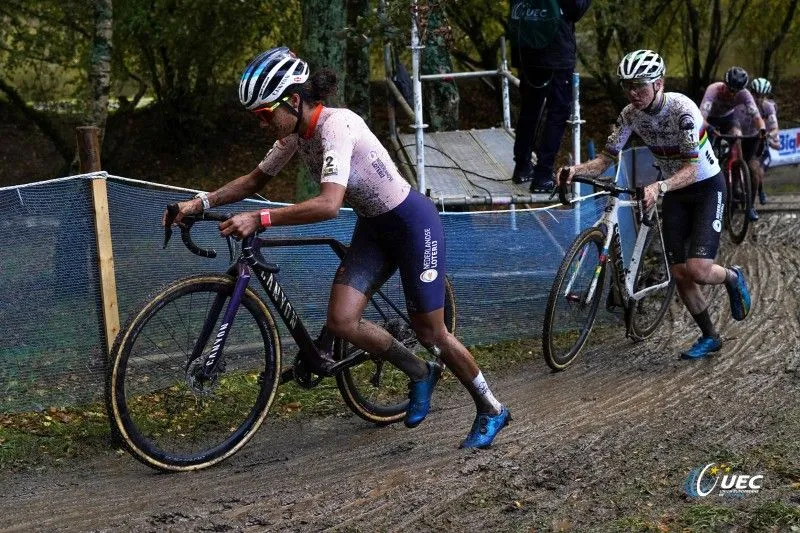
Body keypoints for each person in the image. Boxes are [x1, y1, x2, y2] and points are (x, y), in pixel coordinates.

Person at [163, 47, 510, 449]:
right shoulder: (294, 134)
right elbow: (254, 180)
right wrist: (199, 203)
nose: (261, 124)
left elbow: (329, 204)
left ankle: (491, 407)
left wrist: (259, 219)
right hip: (374, 230)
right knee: (342, 322)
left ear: (292, 101)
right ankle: (419, 372)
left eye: (263, 114)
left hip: (413, 225)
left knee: (431, 330)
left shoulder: (337, 126)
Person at [558, 49, 752, 360]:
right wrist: (575, 171)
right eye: (627, 86)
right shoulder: (630, 115)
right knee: (679, 273)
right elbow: (606, 160)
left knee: (698, 270)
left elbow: (691, 167)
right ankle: (710, 336)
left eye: (640, 85)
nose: (633, 93)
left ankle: (732, 276)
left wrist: (659, 185)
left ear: (659, 83)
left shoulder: (683, 110)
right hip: (675, 190)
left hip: (705, 188)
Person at [508, 0, 591, 192]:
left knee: (530, 108)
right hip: (555, 52)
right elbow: (575, 9)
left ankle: (522, 166)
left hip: (526, 49)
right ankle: (543, 175)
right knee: (557, 113)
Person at [699, 66, 767, 221]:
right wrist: (709, 128)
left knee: (738, 137)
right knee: (704, 149)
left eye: (736, 91)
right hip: (709, 120)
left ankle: (738, 177)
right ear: (724, 84)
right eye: (729, 90)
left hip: (728, 119)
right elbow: (700, 118)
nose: (732, 94)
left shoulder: (744, 94)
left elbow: (757, 117)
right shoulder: (713, 90)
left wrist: (762, 129)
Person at [749, 77, 781, 205]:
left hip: (762, 144)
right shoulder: (746, 104)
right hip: (749, 139)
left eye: (762, 96)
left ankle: (760, 190)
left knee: (758, 172)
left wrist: (768, 135)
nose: (759, 99)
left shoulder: (768, 107)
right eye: (756, 95)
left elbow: (775, 130)